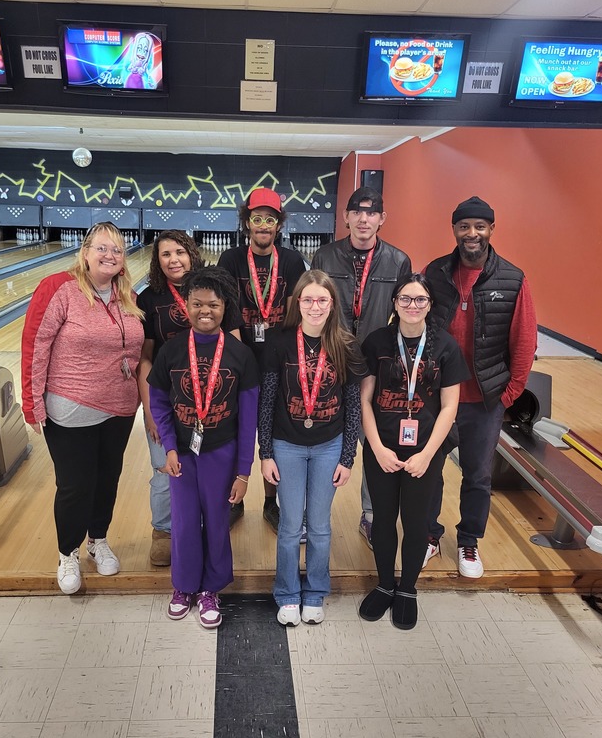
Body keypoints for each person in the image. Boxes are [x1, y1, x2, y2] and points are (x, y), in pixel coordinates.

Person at [21, 221, 145, 594]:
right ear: (85, 252)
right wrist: (32, 403)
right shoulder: (59, 288)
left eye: (117, 250)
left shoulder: (129, 296)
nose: (110, 255)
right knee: (75, 485)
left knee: (107, 479)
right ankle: (67, 553)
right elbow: (35, 345)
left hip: (119, 408)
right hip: (70, 407)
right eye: (102, 248)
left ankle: (98, 540)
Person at [423, 196, 537, 579]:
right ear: (454, 229)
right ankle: (428, 534)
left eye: (479, 226)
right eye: (464, 226)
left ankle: (469, 540)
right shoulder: (435, 272)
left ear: (491, 229)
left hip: (484, 400)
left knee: (478, 475)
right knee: (430, 469)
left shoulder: (513, 278)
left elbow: (524, 341)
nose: (472, 233)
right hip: (439, 397)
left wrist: (508, 394)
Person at [148, 266, 259, 629]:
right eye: (197, 304)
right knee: (181, 522)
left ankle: (211, 589)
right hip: (181, 453)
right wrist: (168, 448)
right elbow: (159, 401)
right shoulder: (172, 351)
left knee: (215, 521)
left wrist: (243, 472)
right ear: (188, 306)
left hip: (221, 453)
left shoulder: (241, 355)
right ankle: (183, 587)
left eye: (212, 304)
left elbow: (247, 419)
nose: (204, 311)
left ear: (225, 306)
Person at [358, 274, 467, 629]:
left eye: (420, 300)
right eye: (405, 299)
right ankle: (386, 584)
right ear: (394, 303)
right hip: (383, 450)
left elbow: (450, 407)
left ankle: (407, 589)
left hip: (425, 451)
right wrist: (376, 448)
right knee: (383, 520)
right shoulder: (377, 342)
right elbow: (365, 399)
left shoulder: (445, 347)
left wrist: (428, 454)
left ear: (430, 305)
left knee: (417, 522)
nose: (412, 306)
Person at [258, 270, 365, 626]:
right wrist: (266, 453)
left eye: (322, 300)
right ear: (297, 303)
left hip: (328, 446)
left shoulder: (345, 344)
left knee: (319, 526)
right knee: (290, 526)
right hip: (286, 445)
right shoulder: (278, 341)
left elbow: (353, 405)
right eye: (308, 299)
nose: (315, 306)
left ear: (332, 304)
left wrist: (348, 457)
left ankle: (316, 591)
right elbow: (268, 400)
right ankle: (287, 592)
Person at [311, 185, 411, 548]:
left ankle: (370, 516)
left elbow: (404, 315)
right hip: (332, 360)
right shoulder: (324, 255)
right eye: (357, 211)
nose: (364, 218)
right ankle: (314, 516)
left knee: (376, 440)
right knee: (325, 440)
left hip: (374, 365)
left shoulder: (398, 261)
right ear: (347, 217)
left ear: (382, 219)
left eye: (372, 212)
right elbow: (315, 305)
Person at [218, 188, 307, 532]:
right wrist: (239, 358)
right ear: (246, 222)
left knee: (273, 434)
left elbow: (295, 312)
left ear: (278, 224)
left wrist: (282, 358)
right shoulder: (230, 260)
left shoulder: (292, 261)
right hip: (238, 358)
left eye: (270, 219)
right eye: (257, 218)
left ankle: (271, 501)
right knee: (233, 431)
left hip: (278, 360)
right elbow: (225, 309)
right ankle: (233, 501)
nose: (263, 225)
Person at [137, 230, 206, 567]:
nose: (174, 260)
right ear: (157, 260)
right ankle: (162, 531)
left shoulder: (211, 290)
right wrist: (150, 410)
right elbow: (145, 358)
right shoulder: (149, 299)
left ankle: (201, 525)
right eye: (165, 254)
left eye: (180, 252)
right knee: (164, 466)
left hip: (208, 394)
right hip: (166, 396)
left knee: (203, 466)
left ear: (191, 253)